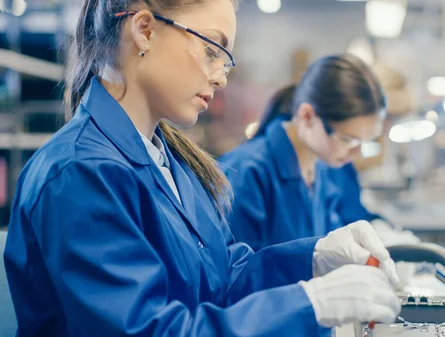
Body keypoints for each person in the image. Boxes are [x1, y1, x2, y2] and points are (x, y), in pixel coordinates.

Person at [2, 1, 403, 336]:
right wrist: (310, 303)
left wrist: (313, 257)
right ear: (145, 30)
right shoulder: (79, 175)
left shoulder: (170, 160)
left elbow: (222, 278)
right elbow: (147, 330)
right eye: (213, 49)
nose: (222, 77)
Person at [220, 54, 386, 252]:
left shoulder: (322, 169)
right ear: (307, 117)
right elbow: (235, 273)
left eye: (364, 142)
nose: (357, 153)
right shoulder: (246, 172)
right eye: (347, 140)